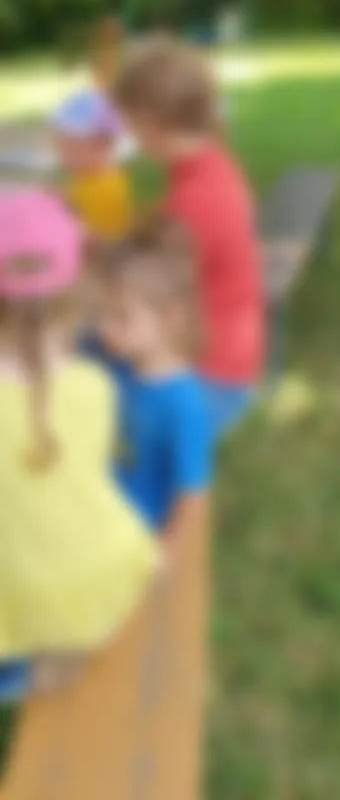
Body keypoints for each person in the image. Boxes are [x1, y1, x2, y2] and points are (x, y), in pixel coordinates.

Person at [0, 187, 160, 698]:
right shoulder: (95, 387)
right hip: (97, 577)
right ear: (74, 297)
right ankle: (53, 662)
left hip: (18, 597)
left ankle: (23, 670)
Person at [112, 36, 263, 436]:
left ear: (150, 120)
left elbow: (138, 292)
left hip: (208, 379)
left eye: (127, 120)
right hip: (225, 354)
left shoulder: (194, 203)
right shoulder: (210, 164)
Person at [97, 220, 216, 536]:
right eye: (103, 314)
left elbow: (191, 497)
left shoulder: (183, 404)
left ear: (172, 318)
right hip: (106, 518)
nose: (105, 328)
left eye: (122, 317)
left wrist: (168, 559)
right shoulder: (120, 366)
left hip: (141, 534)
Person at [53, 88, 132, 242]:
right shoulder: (81, 176)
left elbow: (117, 240)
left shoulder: (113, 188)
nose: (63, 156)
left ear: (104, 146)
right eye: (61, 146)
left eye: (71, 147)